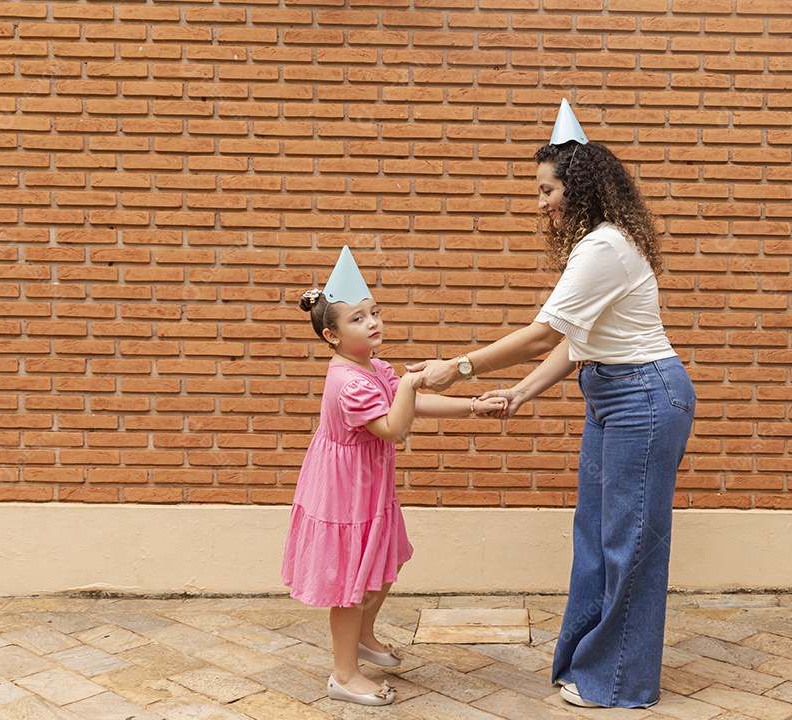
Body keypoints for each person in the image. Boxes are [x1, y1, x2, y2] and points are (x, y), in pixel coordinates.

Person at [406, 99, 696, 709]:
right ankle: (588, 664)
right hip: (619, 397)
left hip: (644, 399)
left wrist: (457, 368)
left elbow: (542, 334)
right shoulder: (602, 243)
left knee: (629, 543)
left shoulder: (603, 248)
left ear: (578, 188)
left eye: (546, 191)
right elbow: (573, 343)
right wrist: (521, 391)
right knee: (595, 535)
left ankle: (616, 681)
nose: (540, 204)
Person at [282, 246, 507, 707]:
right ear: (332, 335)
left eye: (374, 313)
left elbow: (409, 403)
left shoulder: (372, 368)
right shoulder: (349, 383)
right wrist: (410, 383)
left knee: (388, 560)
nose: (372, 322)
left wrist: (471, 406)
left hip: (368, 487)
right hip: (344, 495)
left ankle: (363, 637)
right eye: (358, 319)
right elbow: (394, 428)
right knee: (350, 582)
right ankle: (343, 674)